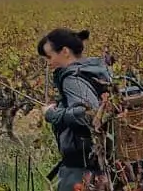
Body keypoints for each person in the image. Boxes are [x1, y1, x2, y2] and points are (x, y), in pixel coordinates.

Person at [38, 27, 111, 191]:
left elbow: (86, 115)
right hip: (100, 164)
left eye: (50, 56)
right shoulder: (94, 69)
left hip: (81, 167)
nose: (49, 63)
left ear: (64, 51)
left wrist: (52, 114)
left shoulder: (73, 78)